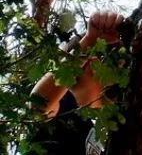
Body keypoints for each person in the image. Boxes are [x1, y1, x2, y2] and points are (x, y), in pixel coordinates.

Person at [29, 11, 125, 155]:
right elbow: (39, 106)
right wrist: (89, 41)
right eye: (113, 62)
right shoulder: (64, 105)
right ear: (89, 63)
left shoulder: (95, 129)